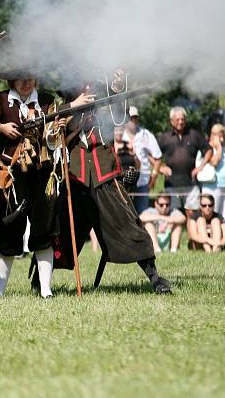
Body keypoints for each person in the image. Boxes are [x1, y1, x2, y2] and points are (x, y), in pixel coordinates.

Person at [57, 72, 172, 294]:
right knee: (60, 231)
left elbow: (118, 119)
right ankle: (40, 282)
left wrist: (117, 89)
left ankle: (155, 278)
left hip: (104, 173)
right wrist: (77, 106)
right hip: (75, 175)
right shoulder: (66, 102)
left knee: (127, 224)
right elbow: (60, 128)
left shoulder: (106, 95)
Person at [0, 70, 69, 298]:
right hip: (11, 176)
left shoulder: (47, 101)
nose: (27, 83)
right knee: (8, 231)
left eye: (31, 78)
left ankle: (46, 290)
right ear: (12, 81)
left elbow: (53, 142)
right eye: (22, 78)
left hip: (42, 175)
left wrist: (57, 128)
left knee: (44, 231)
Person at [157, 106, 211, 226]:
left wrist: (200, 167)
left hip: (190, 182)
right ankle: (174, 240)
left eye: (183, 119)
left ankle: (193, 238)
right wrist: (160, 167)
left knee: (192, 213)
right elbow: (151, 153)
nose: (181, 122)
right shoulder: (164, 137)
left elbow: (208, 150)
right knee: (173, 213)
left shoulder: (194, 135)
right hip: (171, 183)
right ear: (171, 121)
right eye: (177, 119)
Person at [124, 106, 162, 214]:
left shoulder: (146, 134)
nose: (133, 120)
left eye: (135, 117)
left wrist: (153, 177)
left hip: (143, 181)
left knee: (143, 214)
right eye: (130, 117)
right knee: (126, 214)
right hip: (124, 181)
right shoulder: (119, 134)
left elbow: (158, 157)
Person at [200, 124, 225, 228]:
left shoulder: (224, 149)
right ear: (212, 135)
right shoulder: (208, 148)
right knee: (213, 213)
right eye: (219, 136)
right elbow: (214, 162)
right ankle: (212, 238)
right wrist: (218, 147)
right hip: (213, 185)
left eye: (223, 136)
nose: (222, 139)